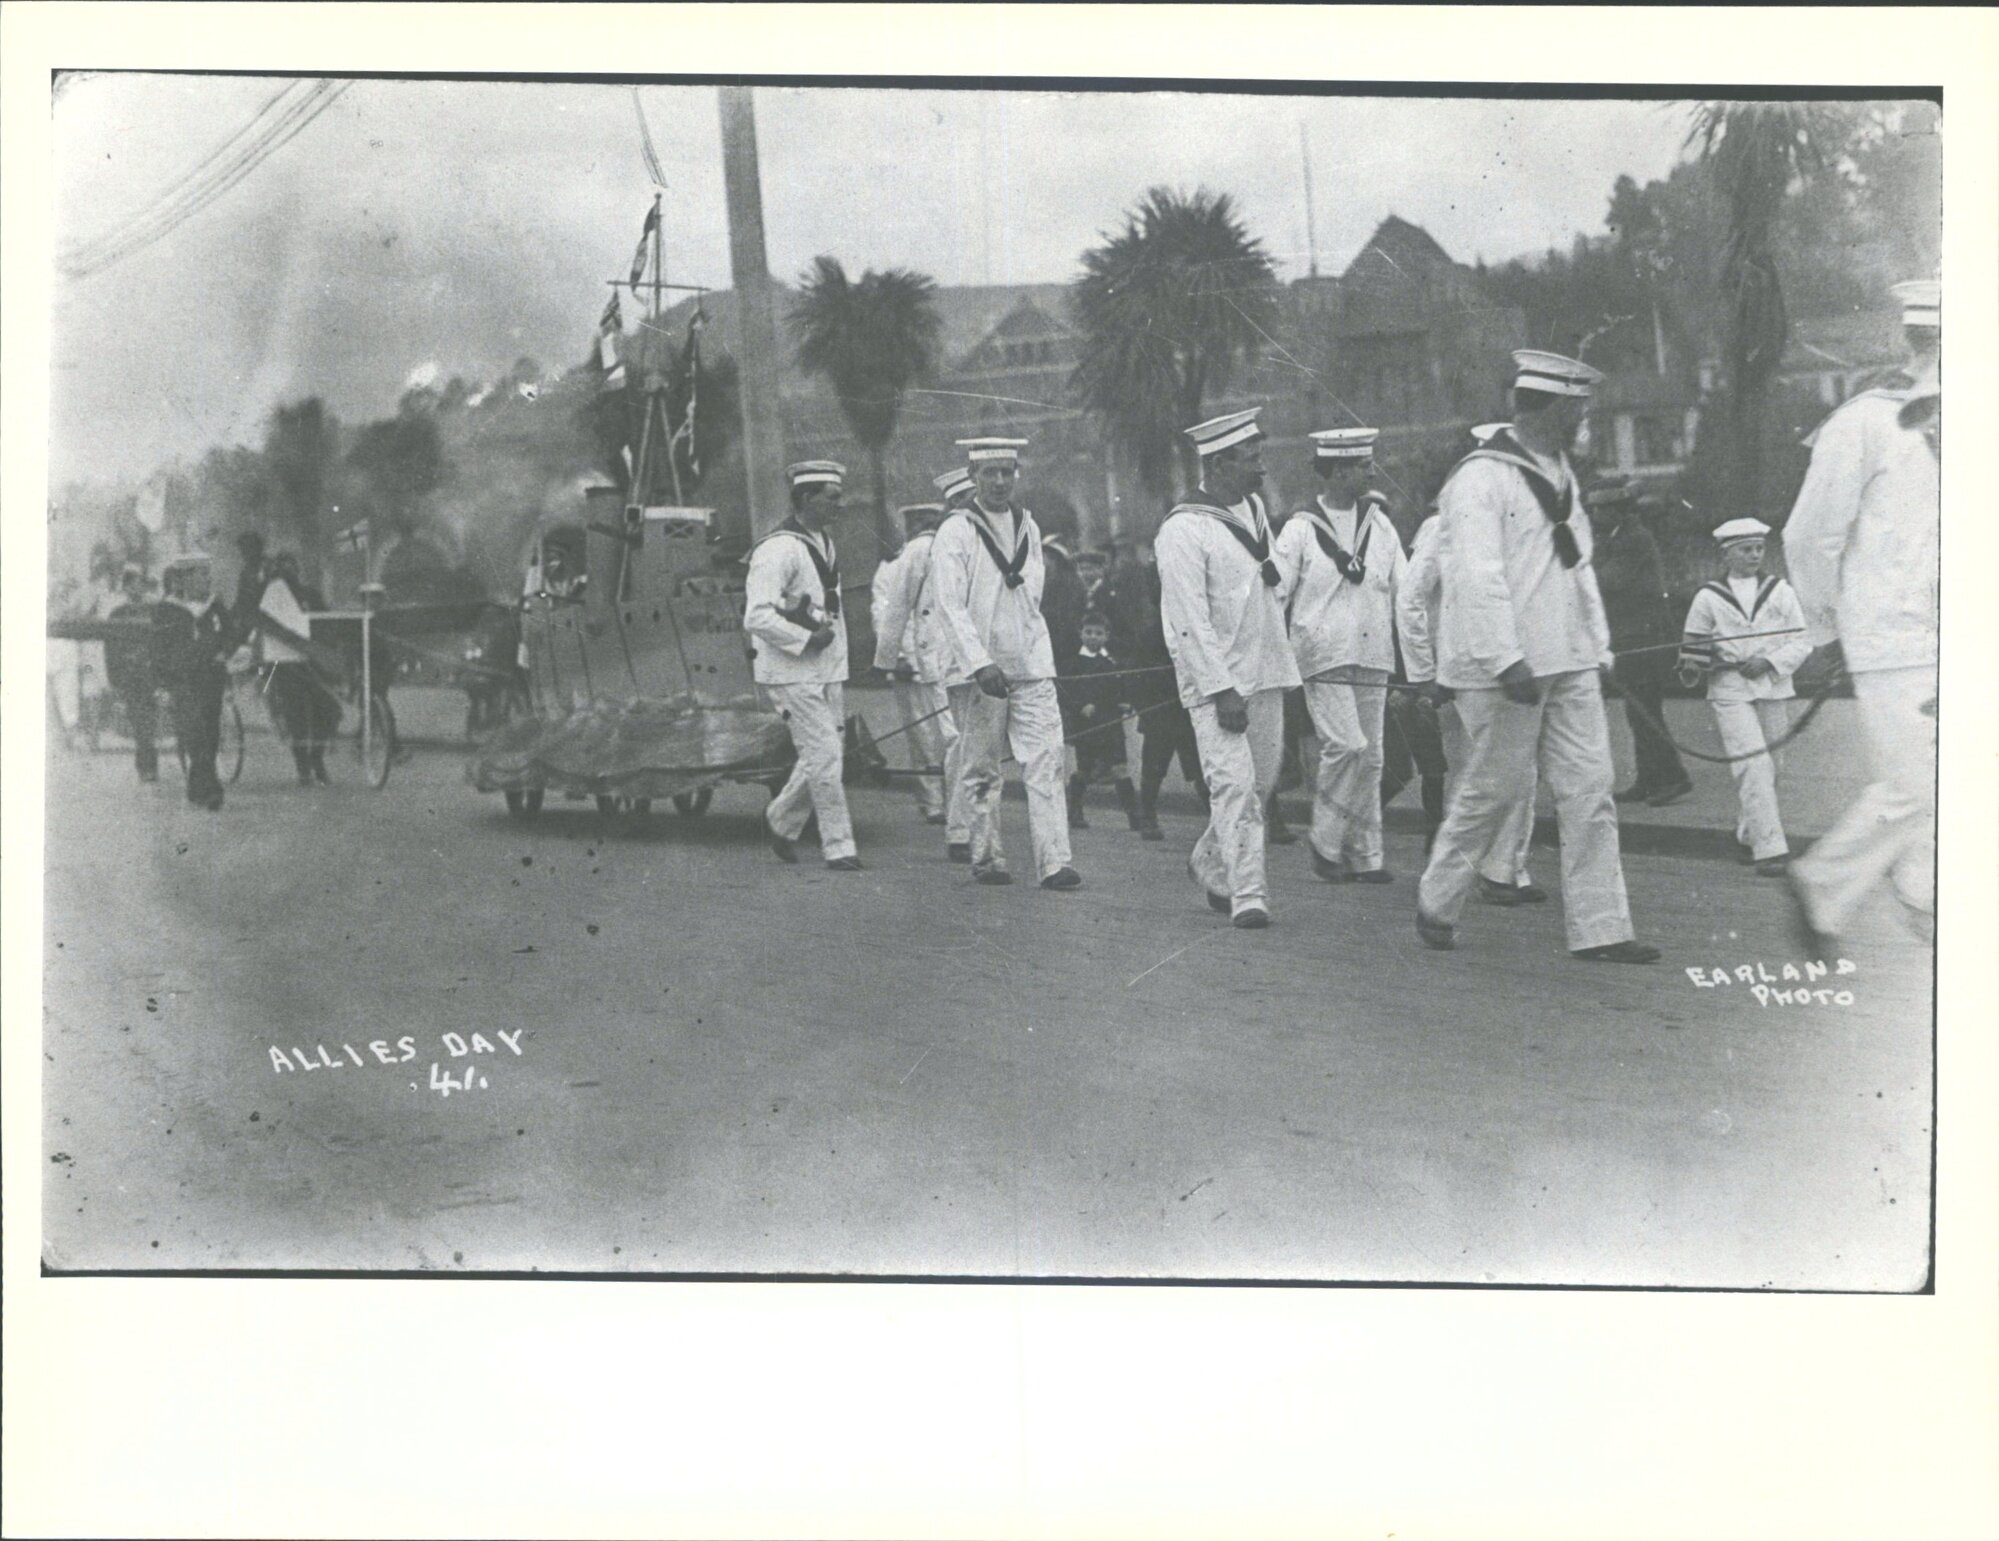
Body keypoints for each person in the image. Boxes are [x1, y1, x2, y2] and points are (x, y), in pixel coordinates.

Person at [1415, 351, 1659, 962]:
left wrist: (1597, 645)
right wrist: (1504, 659)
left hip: (1569, 658)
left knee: (1590, 791)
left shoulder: (1560, 473)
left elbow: (1577, 567)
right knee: (1493, 791)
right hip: (1512, 669)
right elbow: (1475, 576)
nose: (1585, 418)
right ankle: (1438, 899)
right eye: (1578, 407)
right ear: (1549, 407)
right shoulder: (1478, 479)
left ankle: (1603, 929)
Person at [1783, 279, 1940, 950]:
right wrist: (1827, 632)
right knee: (1918, 782)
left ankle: (1927, 895)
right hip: (1892, 640)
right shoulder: (1863, 424)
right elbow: (1806, 536)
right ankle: (1821, 885)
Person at [1157, 408, 1303, 929]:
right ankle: (1248, 894)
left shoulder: (1255, 511)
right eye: (1251, 458)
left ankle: (1209, 861)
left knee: (1259, 786)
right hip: (1217, 686)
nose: (1260, 467)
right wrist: (1221, 689)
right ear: (1219, 463)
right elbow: (1188, 620)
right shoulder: (1182, 530)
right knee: (1234, 788)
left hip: (1267, 673)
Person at [929, 437, 1082, 890]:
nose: (999, 482)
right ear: (973, 476)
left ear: (1016, 475)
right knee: (982, 768)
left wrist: (1032, 652)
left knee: (1047, 760)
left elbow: (1030, 597)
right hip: (980, 670)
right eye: (990, 473)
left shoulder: (1027, 525)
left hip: (1030, 663)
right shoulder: (955, 530)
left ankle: (1055, 861)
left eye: (1007, 473)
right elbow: (949, 605)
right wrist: (979, 662)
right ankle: (987, 855)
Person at [1397, 494, 1544, 905]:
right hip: (1469, 667)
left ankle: (1505, 868)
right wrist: (1423, 671)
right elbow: (1410, 597)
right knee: (1503, 767)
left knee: (1509, 769)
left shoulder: (1522, 527)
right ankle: (1493, 872)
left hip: (1515, 666)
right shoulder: (1441, 527)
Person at [1276, 426, 1407, 884]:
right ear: (1335, 472)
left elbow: (1403, 588)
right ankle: (1325, 843)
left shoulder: (1380, 523)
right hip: (1323, 654)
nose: (1371, 473)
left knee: (1371, 756)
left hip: (1374, 650)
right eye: (1361, 467)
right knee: (1345, 745)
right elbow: (1276, 590)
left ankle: (1366, 854)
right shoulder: (1300, 529)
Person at [743, 460, 863, 871]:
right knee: (825, 754)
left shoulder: (823, 542)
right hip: (790, 670)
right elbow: (756, 615)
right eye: (832, 498)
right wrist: (806, 639)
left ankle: (781, 818)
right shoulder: (777, 549)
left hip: (826, 668)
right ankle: (839, 847)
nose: (839, 505)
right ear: (806, 498)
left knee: (824, 754)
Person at [1676, 518, 1812, 877]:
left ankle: (1748, 833)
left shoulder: (1780, 590)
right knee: (1753, 763)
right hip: (1730, 690)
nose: (1754, 555)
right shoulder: (1708, 596)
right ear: (1727, 554)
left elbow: (1802, 639)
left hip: (1773, 685)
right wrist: (1703, 663)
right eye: (1745, 550)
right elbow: (1693, 646)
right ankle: (1769, 850)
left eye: (1758, 548)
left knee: (1773, 766)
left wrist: (1769, 660)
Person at [1591, 477, 1693, 806]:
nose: (1594, 516)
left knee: (1646, 712)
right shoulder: (1620, 537)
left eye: (1599, 510)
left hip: (1644, 640)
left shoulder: (1632, 539)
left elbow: (1609, 581)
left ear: (1617, 511)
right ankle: (1649, 780)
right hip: (1632, 639)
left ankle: (1674, 777)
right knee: (1639, 712)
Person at [871, 501, 959, 832]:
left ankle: (956, 801)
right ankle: (932, 802)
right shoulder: (893, 565)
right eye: (919, 522)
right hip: (913, 662)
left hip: (947, 660)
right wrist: (899, 656)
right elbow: (885, 614)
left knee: (952, 733)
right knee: (922, 735)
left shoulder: (947, 558)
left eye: (931, 521)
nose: (926, 528)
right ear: (909, 527)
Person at [155, 555, 232, 811]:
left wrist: (225, 650)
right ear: (185, 579)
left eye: (208, 576)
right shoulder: (167, 610)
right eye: (202, 576)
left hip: (211, 677)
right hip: (182, 680)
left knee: (210, 733)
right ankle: (210, 789)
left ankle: (197, 787)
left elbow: (230, 633)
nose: (207, 581)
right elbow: (159, 649)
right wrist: (162, 683)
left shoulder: (214, 606)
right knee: (195, 731)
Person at [256, 552, 339, 786]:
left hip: (311, 663)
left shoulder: (310, 595)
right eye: (282, 569)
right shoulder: (270, 597)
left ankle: (316, 758)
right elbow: (265, 626)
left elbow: (325, 622)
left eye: (291, 567)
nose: (287, 573)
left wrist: (326, 651)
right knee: (297, 716)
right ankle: (303, 767)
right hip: (283, 666)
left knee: (330, 709)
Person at [1058, 610, 1141, 830]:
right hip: (1087, 725)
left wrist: (1124, 701)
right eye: (1088, 632)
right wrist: (1081, 706)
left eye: (1098, 633)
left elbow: (1119, 687)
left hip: (1111, 725)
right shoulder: (1073, 663)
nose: (1093, 637)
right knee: (1086, 770)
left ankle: (1135, 816)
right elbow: (1065, 692)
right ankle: (1075, 811)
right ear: (1080, 634)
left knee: (1119, 769)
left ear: (1106, 635)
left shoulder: (1111, 662)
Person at [104, 563, 161, 782]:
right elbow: (111, 649)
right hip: (130, 675)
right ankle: (146, 765)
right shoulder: (117, 614)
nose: (137, 589)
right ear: (126, 588)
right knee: (139, 721)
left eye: (141, 585)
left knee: (149, 720)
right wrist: (115, 678)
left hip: (152, 672)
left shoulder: (155, 612)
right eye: (133, 585)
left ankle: (148, 765)